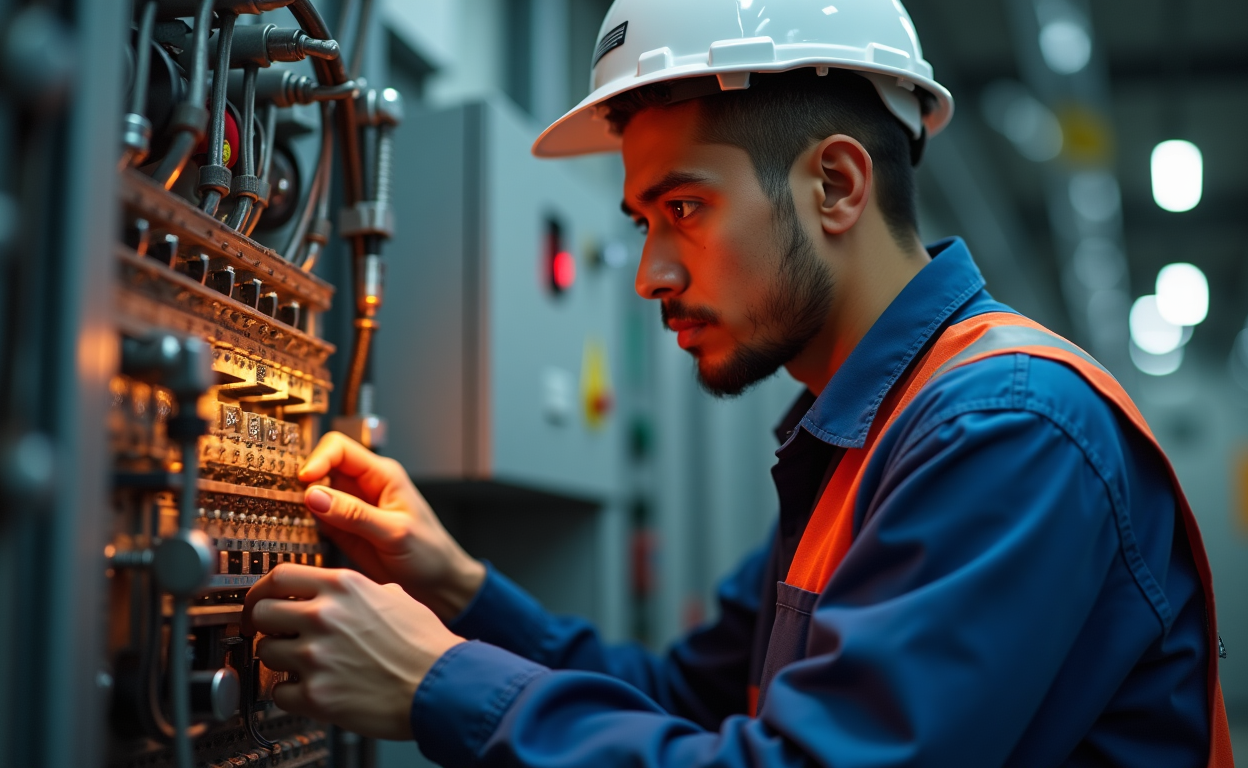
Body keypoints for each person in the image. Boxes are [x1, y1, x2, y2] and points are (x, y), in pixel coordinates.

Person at [243, 1, 1233, 765]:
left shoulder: (1006, 431)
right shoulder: (865, 439)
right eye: (644, 222)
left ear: (836, 186)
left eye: (685, 207)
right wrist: (455, 586)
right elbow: (684, 700)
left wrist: (439, 686)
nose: (649, 275)